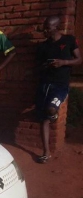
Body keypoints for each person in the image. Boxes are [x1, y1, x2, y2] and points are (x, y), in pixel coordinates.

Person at [35, 16, 81, 164]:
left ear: (55, 27)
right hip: (44, 85)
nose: (45, 30)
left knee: (50, 109)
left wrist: (63, 62)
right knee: (43, 119)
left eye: (47, 27)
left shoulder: (69, 40)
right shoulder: (43, 46)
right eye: (44, 27)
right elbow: (38, 66)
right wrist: (46, 66)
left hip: (60, 85)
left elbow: (79, 59)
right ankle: (46, 152)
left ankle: (53, 113)